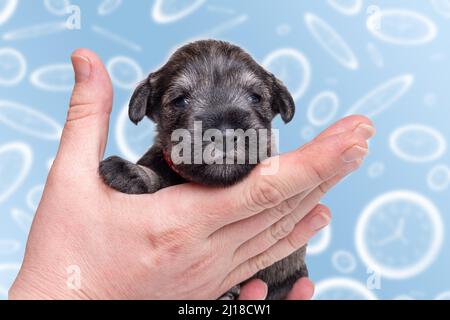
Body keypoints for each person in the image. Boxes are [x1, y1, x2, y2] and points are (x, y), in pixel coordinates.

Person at [8, 49, 374, 300]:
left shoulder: (277, 179)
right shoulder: (150, 170)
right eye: (180, 101)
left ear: (278, 107)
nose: (225, 131)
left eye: (254, 98)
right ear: (148, 110)